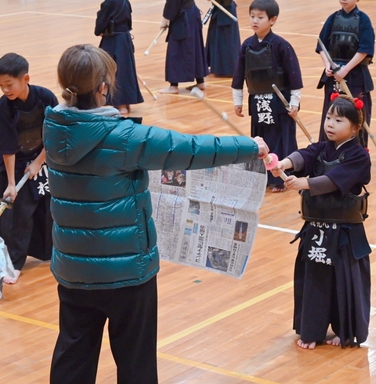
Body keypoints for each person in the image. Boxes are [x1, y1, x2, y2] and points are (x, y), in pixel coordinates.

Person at [43, 43, 269, 384]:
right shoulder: (125, 137)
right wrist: (250, 146)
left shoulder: (54, 127)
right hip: (128, 276)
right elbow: (191, 150)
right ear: (103, 88)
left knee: (72, 359)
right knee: (136, 365)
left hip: (73, 272)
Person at [271, 93, 371, 349]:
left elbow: (334, 179)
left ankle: (345, 331)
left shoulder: (359, 156)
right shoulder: (321, 147)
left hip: (345, 231)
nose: (330, 124)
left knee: (343, 281)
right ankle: (312, 331)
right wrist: (283, 163)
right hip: (317, 226)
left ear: (355, 127)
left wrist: (303, 183)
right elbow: (304, 156)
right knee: (315, 279)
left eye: (338, 120)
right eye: (328, 117)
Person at [232, 0, 303, 193]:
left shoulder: (281, 46)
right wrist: (237, 100)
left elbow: (295, 77)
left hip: (279, 104)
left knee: (281, 138)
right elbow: (239, 76)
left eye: (260, 17)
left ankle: (281, 179)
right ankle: (261, 177)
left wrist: (294, 103)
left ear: (273, 20)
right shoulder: (246, 46)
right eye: (252, 16)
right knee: (260, 140)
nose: (255, 20)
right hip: (258, 103)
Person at [0, 53, 58, 284]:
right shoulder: (4, 107)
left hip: (43, 158)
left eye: (9, 84)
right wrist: (12, 184)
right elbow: (8, 147)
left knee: (46, 205)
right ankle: (12, 265)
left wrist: (39, 161)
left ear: (25, 79)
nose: (5, 90)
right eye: (1, 86)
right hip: (13, 163)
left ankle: (49, 252)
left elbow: (54, 134)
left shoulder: (46, 98)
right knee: (17, 214)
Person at [316, 0, 374, 146]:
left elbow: (365, 49)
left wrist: (346, 69)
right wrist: (328, 64)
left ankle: (355, 156)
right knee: (331, 115)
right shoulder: (332, 18)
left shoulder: (363, 20)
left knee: (354, 117)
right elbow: (321, 46)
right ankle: (327, 157)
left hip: (355, 78)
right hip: (334, 79)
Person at [95, 0, 144, 114]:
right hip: (124, 39)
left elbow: (99, 27)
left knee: (112, 72)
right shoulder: (125, 2)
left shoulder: (108, 3)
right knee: (125, 72)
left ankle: (119, 104)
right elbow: (129, 22)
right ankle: (124, 104)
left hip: (112, 40)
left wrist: (101, 30)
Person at [159, 0, 208, 94]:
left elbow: (172, 3)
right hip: (192, 13)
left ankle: (173, 86)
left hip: (183, 18)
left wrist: (164, 21)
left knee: (175, 51)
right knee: (195, 48)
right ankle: (200, 82)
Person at [205, 0, 241, 77]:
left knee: (226, 41)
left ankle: (229, 69)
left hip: (226, 9)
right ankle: (216, 67)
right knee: (214, 39)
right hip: (219, 8)